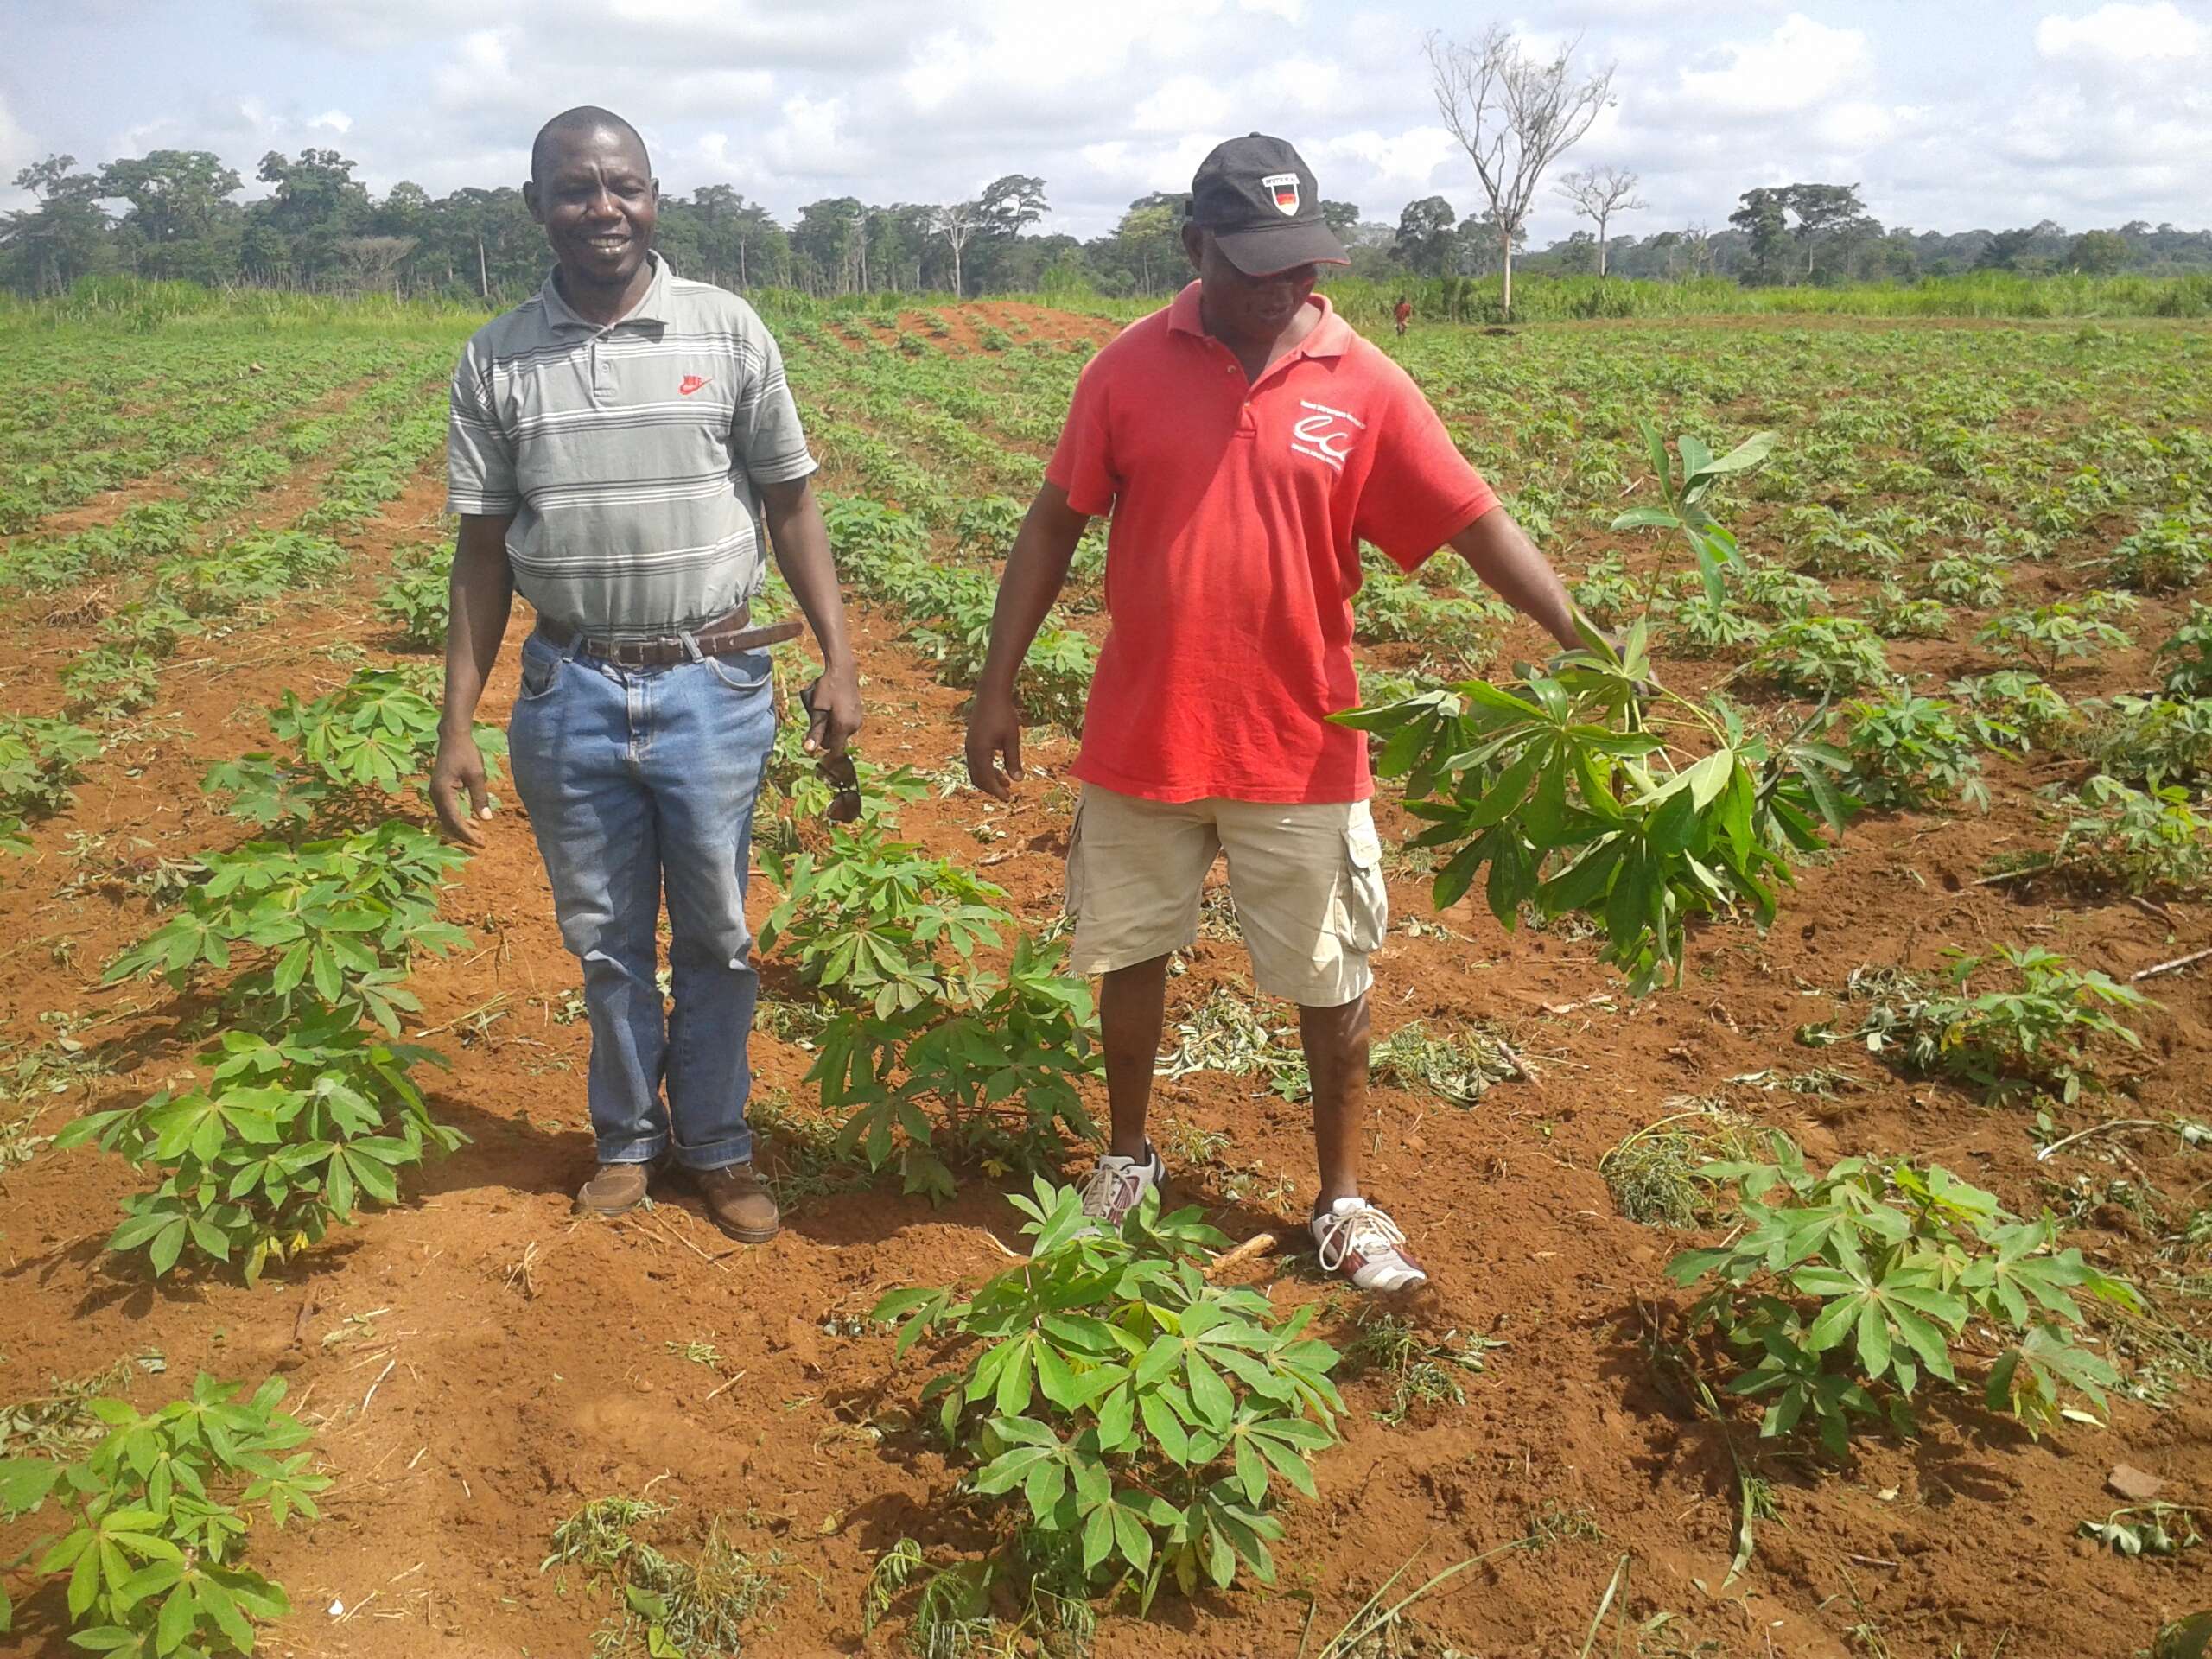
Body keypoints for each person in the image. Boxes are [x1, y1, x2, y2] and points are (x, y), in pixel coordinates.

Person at [963, 134, 1580, 1293]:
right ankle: (1131, 1157)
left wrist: (1578, 638)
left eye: (1300, 262)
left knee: (1332, 974)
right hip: (1147, 731)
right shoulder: (1126, 369)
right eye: (1253, 263)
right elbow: (1053, 524)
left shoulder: (1365, 379)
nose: (1284, 287)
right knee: (1132, 950)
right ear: (1196, 248)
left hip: (1303, 742)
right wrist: (996, 687)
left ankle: (1343, 1200)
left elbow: (1473, 520)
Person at [432, 106, 862, 1243]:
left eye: (623, 186)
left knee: (717, 933)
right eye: (576, 189)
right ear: (539, 208)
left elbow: (790, 502)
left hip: (709, 683)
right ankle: (628, 1142)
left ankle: (717, 1143)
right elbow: (481, 554)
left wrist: (839, 651)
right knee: (608, 940)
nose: (603, 209)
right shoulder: (495, 357)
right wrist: (455, 726)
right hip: (568, 687)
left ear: (654, 195)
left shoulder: (725, 332)